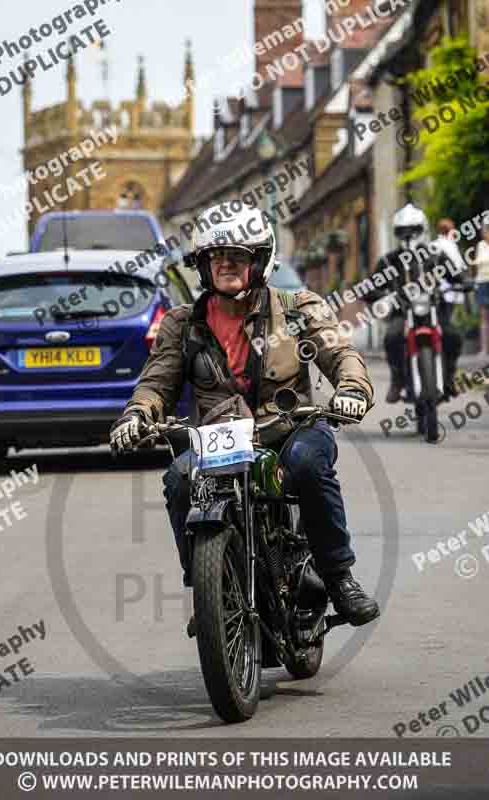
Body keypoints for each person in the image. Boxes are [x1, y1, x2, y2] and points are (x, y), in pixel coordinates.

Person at [110, 204, 379, 628]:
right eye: (216, 257)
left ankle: (339, 577)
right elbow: (156, 383)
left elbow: (341, 353)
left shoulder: (298, 308)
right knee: (180, 480)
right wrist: (137, 415)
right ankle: (209, 589)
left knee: (308, 464)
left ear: (260, 260)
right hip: (220, 438)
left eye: (237, 255)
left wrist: (351, 389)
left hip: (290, 429)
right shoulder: (182, 324)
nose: (226, 265)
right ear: (201, 264)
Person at [370, 203, 462, 403]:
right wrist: (379, 295)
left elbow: (456, 275)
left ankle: (449, 378)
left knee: (453, 336)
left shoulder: (435, 255)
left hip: (434, 306)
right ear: (397, 233)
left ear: (423, 229)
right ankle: (397, 380)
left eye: (414, 230)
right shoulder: (389, 261)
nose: (409, 235)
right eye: (403, 231)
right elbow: (371, 286)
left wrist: (464, 282)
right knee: (392, 337)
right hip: (402, 310)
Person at [474, 218, 489, 356]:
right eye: (486, 228)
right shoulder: (480, 246)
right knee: (484, 318)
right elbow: (478, 262)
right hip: (483, 282)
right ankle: (484, 349)